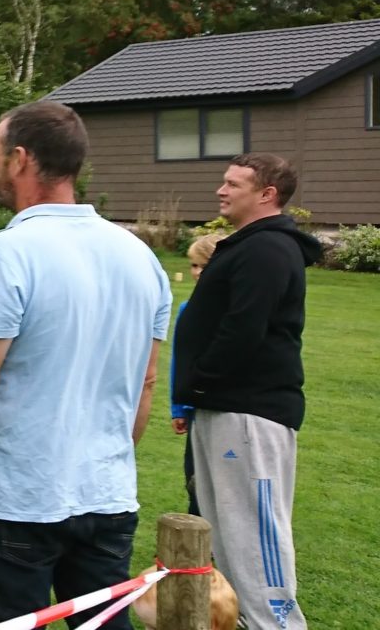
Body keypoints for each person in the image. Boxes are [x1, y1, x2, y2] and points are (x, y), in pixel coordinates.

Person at [0, 101, 172, 630]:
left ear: (21, 159)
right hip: (107, 495)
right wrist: (105, 457)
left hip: (21, 499)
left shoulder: (9, 253)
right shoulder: (140, 256)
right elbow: (147, 380)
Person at [173, 153, 321, 630]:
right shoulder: (249, 245)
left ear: (266, 194)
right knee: (224, 533)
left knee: (254, 533)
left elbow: (244, 329)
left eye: (232, 183)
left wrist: (200, 378)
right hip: (222, 406)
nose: (221, 190)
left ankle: (276, 623)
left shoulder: (268, 249)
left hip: (249, 414)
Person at [170, 233, 225, 516]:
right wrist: (178, 407)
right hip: (194, 409)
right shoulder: (186, 309)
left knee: (225, 482)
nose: (197, 272)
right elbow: (180, 359)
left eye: (203, 265)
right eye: (193, 265)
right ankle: (198, 548)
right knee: (194, 479)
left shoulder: (235, 309)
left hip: (225, 409)